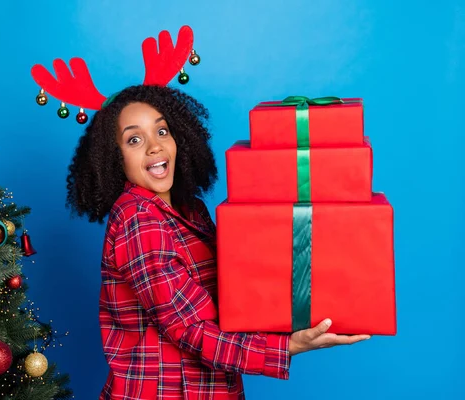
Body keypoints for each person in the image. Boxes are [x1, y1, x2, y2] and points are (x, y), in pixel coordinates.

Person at [65, 84, 371, 399]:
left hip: (213, 387)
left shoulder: (190, 209)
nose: (154, 147)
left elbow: (230, 301)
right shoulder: (139, 218)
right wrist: (287, 346)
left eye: (162, 131)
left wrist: (297, 312)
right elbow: (187, 329)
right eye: (134, 139)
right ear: (115, 159)